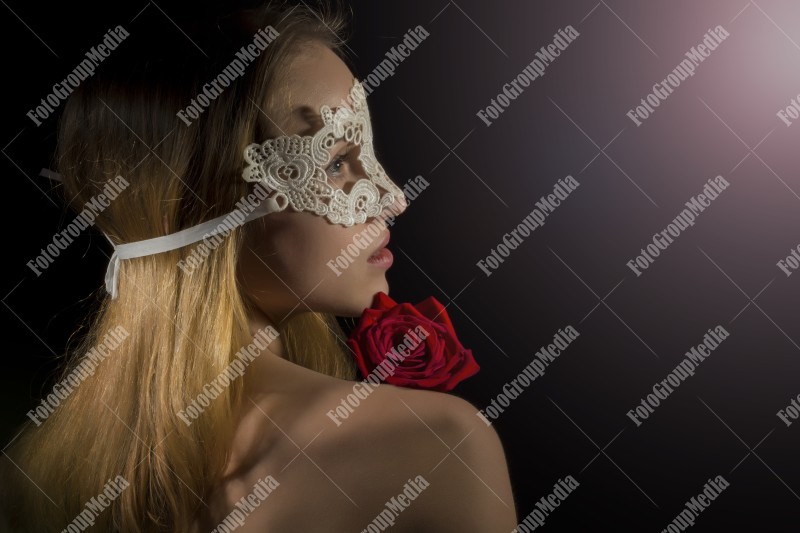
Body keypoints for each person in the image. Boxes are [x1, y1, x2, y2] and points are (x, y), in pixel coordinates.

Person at [1, 2, 517, 531]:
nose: (391, 198)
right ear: (212, 201)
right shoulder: (437, 448)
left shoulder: (38, 477)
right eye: (336, 162)